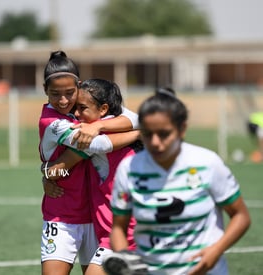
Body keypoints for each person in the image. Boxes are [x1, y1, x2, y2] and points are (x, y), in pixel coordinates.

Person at [103, 87, 251, 275]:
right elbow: (118, 228)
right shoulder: (129, 168)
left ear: (182, 130)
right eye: (148, 134)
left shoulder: (207, 163)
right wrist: (125, 257)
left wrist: (216, 250)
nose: (155, 142)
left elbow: (241, 216)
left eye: (164, 134)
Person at [39, 51, 139, 275]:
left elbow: (137, 118)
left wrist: (99, 126)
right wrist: (137, 134)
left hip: (96, 217)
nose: (64, 101)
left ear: (79, 86)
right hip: (63, 215)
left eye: (69, 93)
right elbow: (96, 146)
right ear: (45, 90)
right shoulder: (52, 121)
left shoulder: (88, 108)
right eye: (55, 94)